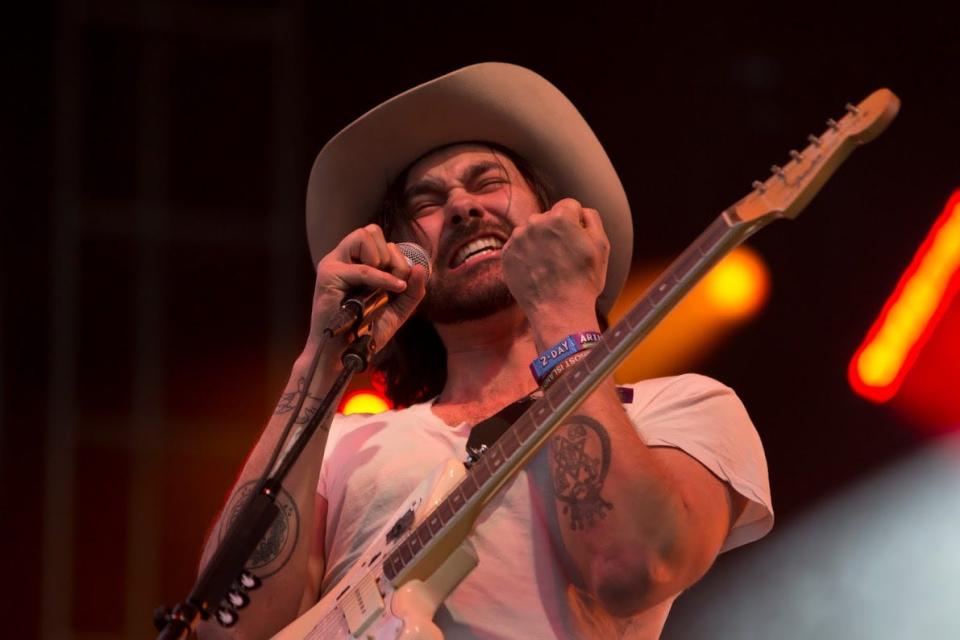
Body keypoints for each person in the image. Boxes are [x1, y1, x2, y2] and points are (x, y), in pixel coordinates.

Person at [197, 62, 774, 639]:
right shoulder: (347, 446)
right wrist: (320, 362)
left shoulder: (677, 410)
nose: (461, 207)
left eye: (487, 183)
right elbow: (226, 629)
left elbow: (635, 568)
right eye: (427, 202)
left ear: (554, 215)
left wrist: (562, 309)